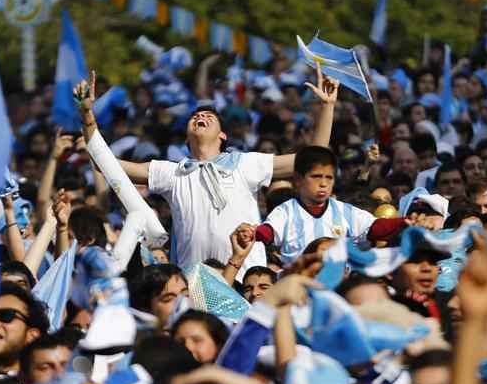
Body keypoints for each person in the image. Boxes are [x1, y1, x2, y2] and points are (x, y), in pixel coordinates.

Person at [74, 67, 338, 272]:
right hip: (192, 283)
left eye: (209, 117)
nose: (200, 117)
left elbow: (313, 160)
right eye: (195, 116)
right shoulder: (172, 172)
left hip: (245, 279)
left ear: (223, 135)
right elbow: (106, 164)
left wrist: (327, 108)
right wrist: (87, 116)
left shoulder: (246, 163)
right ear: (186, 136)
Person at [248, 145, 375, 264]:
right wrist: (251, 233)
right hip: (297, 284)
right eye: (316, 176)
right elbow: (267, 232)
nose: (323, 184)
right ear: (298, 179)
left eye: (329, 177)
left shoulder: (345, 211)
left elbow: (376, 227)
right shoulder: (286, 211)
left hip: (338, 284)